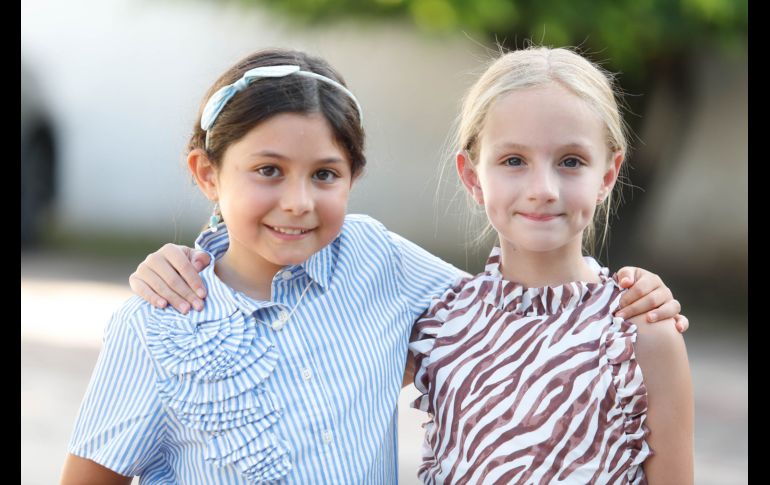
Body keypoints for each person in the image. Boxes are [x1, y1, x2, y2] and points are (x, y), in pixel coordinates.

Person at [71, 48, 686, 484]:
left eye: (324, 175)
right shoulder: (158, 321)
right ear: (207, 173)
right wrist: (174, 257)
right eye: (267, 170)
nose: (297, 201)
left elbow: (515, 312)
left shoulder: (378, 261)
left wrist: (636, 292)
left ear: (352, 177)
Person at [407, 46, 693, 484]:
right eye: (514, 161)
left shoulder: (642, 332)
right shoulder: (438, 327)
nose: (543, 189)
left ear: (607, 175)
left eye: (570, 161)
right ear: (471, 176)